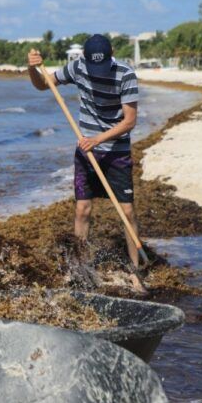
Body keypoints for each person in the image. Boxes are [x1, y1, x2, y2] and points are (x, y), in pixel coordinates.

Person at [27, 34, 145, 292]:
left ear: (112, 53)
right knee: (82, 210)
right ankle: (79, 269)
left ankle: (136, 272)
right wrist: (32, 69)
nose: (96, 72)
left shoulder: (125, 74)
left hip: (116, 151)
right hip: (86, 150)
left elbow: (129, 121)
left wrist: (98, 139)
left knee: (126, 212)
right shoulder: (78, 67)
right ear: (85, 58)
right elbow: (43, 85)